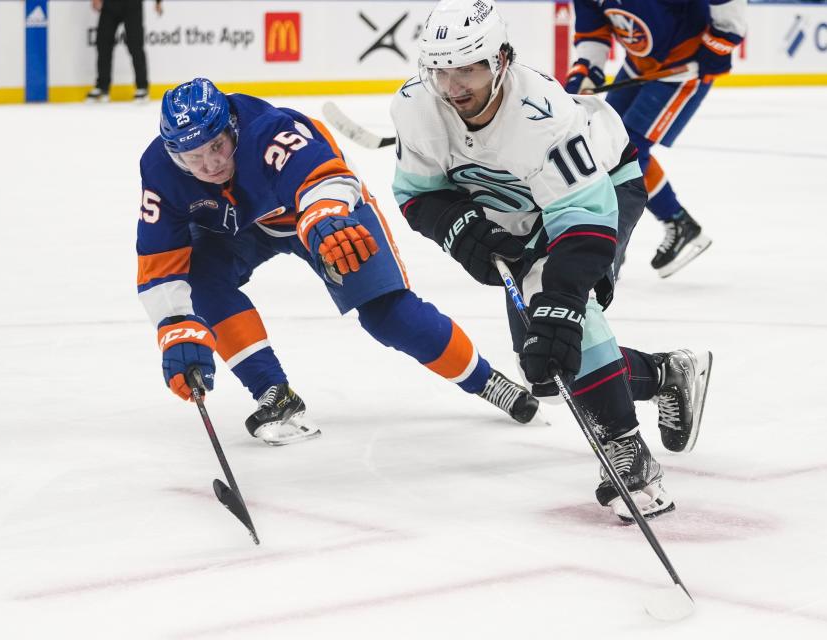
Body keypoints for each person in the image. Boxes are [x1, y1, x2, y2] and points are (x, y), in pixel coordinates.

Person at [390, 0, 713, 523]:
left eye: (468, 68)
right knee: (545, 368)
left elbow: (583, 219)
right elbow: (416, 193)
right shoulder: (415, 107)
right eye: (441, 70)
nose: (454, 88)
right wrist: (456, 226)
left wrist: (563, 301)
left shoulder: (543, 116)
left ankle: (627, 453)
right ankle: (663, 373)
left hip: (602, 190)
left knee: (559, 314)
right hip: (518, 215)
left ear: (501, 60)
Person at [137, 77, 540, 446]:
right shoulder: (159, 170)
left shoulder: (269, 130)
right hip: (240, 229)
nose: (210, 164)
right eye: (193, 158)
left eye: (217, 146)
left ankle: (486, 381)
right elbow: (160, 261)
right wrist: (176, 327)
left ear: (233, 129)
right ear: (174, 154)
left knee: (387, 315)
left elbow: (324, 177)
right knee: (200, 284)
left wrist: (325, 215)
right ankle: (273, 393)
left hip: (318, 213)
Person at [564, 0, 747, 278]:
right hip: (639, 65)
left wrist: (722, 39)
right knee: (604, 142)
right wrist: (587, 70)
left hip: (682, 66)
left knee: (630, 150)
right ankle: (615, 241)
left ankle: (676, 222)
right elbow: (593, 33)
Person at [86, 0, 163, 103]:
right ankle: (102, 86)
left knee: (135, 45)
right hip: (110, 5)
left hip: (132, 4)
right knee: (103, 43)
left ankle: (142, 87)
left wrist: (158, 2)